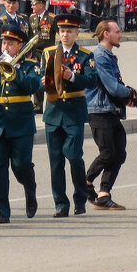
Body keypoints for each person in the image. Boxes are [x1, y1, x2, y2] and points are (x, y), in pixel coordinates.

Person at [42, 12, 98, 217]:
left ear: (76, 33)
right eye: (62, 31)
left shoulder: (85, 55)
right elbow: (42, 74)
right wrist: (44, 81)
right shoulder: (48, 53)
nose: (65, 35)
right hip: (53, 112)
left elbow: (92, 80)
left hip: (74, 111)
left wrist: (72, 76)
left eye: (69, 31)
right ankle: (60, 203)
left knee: (74, 156)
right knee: (55, 161)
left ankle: (80, 197)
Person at [85, 20, 137, 211]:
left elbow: (112, 87)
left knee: (119, 152)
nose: (120, 34)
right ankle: (85, 181)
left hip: (109, 110)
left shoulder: (108, 55)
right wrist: (129, 92)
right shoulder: (99, 56)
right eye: (117, 31)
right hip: (99, 111)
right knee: (109, 153)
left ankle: (104, 195)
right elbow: (111, 87)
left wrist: (127, 97)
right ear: (106, 34)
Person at [0, 23, 41, 223]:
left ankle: (30, 189)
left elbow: (32, 86)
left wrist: (14, 68)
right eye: (4, 43)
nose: (5, 47)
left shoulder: (30, 65)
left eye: (10, 43)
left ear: (20, 45)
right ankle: (2, 211)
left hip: (20, 123)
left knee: (21, 165)